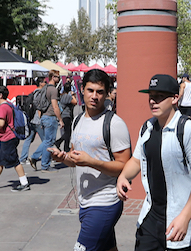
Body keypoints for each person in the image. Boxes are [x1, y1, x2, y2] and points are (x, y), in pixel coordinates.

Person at [117, 74, 191, 251]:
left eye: (159, 96)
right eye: (151, 96)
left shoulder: (188, 130)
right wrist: (123, 176)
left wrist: (185, 216)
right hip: (151, 218)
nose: (153, 101)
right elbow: (136, 160)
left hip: (179, 220)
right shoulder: (148, 127)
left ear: (175, 98)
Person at [51, 69, 131, 251]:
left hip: (105, 201)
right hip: (85, 201)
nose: (94, 96)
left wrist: (91, 161)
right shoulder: (78, 120)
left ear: (107, 94)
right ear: (82, 90)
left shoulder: (114, 124)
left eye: (100, 92)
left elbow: (124, 167)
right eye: (90, 90)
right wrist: (63, 158)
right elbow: (75, 159)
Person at [0, 86, 31, 192]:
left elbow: (1, 123)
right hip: (9, 137)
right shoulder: (9, 104)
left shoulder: (3, 107)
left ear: (0, 95)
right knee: (1, 161)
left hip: (8, 137)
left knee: (15, 161)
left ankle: (24, 183)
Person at [30, 70, 61, 172]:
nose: (59, 78)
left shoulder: (45, 88)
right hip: (50, 117)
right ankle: (45, 165)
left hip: (44, 116)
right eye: (57, 76)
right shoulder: (53, 90)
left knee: (47, 141)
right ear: (53, 77)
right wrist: (60, 119)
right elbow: (55, 106)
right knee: (49, 142)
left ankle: (35, 157)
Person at [20, 78, 45, 165]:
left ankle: (23, 158)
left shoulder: (34, 92)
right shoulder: (39, 93)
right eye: (44, 82)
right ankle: (36, 156)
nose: (46, 83)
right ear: (40, 83)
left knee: (29, 139)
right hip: (37, 120)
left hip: (31, 119)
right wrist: (41, 119)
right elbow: (39, 107)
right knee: (46, 141)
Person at [54, 82, 77, 152]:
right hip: (66, 116)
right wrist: (72, 94)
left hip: (63, 115)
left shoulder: (62, 96)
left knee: (67, 132)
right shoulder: (67, 96)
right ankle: (61, 143)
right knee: (68, 133)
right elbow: (75, 102)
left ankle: (65, 146)